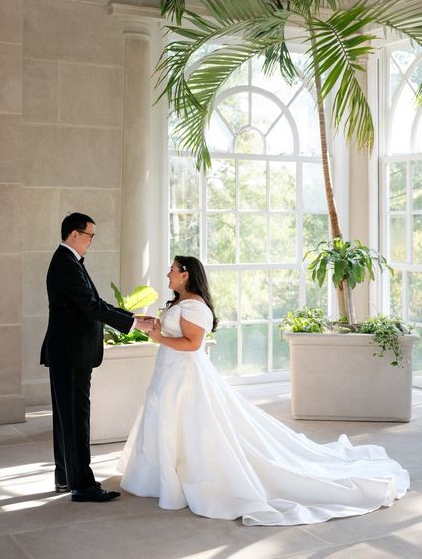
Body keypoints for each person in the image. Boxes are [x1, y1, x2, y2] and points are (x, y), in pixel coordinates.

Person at [118, 255, 410, 525]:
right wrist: (159, 327)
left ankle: (187, 478)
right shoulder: (181, 303)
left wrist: (158, 337)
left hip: (184, 377)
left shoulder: (194, 306)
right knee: (167, 422)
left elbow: (192, 345)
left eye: (172, 269)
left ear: (186, 275)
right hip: (169, 373)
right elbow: (178, 334)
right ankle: (163, 477)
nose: (167, 273)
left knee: (189, 426)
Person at [41, 212, 153, 502]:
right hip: (72, 353)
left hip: (68, 352)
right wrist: (132, 325)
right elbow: (91, 307)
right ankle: (83, 486)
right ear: (74, 234)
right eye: (90, 235)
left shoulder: (67, 261)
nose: (92, 241)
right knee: (76, 417)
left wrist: (130, 317)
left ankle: (66, 477)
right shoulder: (66, 264)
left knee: (67, 417)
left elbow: (94, 303)